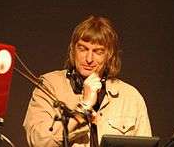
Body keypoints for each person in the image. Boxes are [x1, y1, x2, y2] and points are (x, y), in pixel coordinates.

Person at [23, 15, 152, 147]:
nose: (89, 58)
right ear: (73, 50)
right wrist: (83, 107)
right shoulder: (49, 86)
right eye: (83, 49)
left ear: (109, 55)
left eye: (98, 51)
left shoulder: (130, 97)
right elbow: (38, 142)